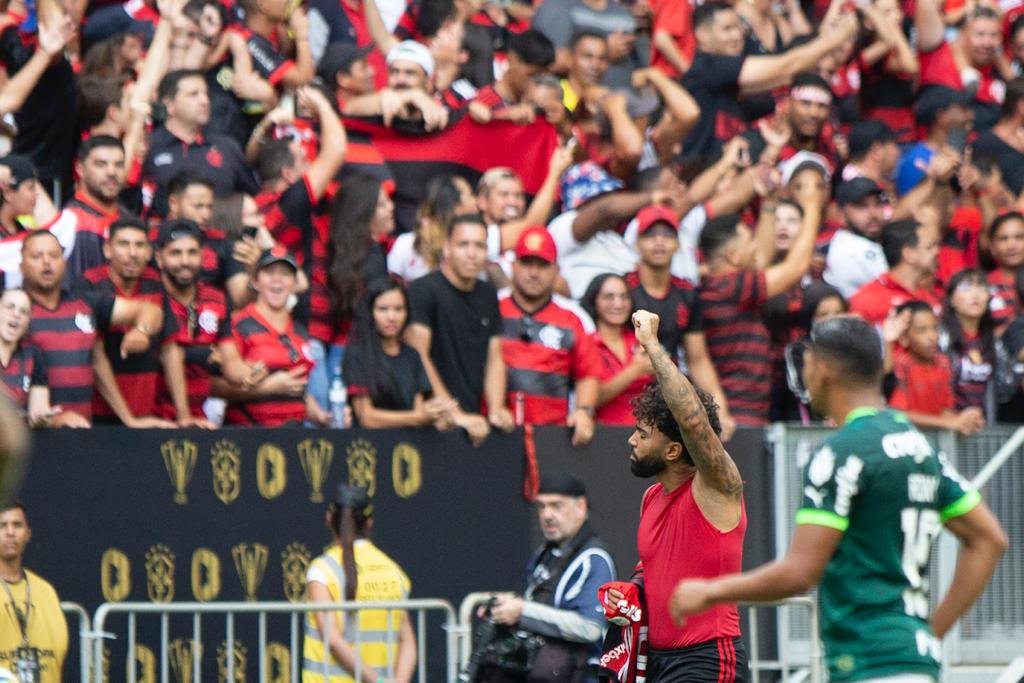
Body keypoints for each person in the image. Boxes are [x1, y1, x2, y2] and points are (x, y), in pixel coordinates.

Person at [669, 315, 1008, 683]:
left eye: (807, 361)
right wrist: (928, 634)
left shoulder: (841, 451)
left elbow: (800, 573)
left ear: (823, 367)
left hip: (868, 664)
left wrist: (709, 591)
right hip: (914, 662)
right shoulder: (918, 447)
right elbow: (990, 538)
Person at [616, 309, 746, 681]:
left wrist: (653, 347)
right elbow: (654, 570)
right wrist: (631, 592)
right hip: (659, 660)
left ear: (673, 450)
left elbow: (691, 421)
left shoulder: (718, 486)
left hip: (707, 659)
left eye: (642, 433)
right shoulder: (652, 496)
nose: (632, 440)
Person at [21, 230, 163, 427]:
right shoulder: (11, 309)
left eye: (54, 255)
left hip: (82, 430)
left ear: (65, 262)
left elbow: (150, 310)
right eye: (37, 256)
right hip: (28, 437)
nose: (46, 262)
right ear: (21, 265)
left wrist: (142, 330)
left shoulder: (85, 302)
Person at [484, 473, 616, 682]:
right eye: (542, 506)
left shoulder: (594, 558)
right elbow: (533, 602)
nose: (547, 515)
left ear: (580, 507)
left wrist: (521, 611)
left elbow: (590, 627)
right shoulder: (545, 553)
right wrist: (504, 607)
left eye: (556, 505)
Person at [406, 213, 514, 445]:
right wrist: (453, 413)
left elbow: (495, 358)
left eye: (480, 246)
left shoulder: (488, 294)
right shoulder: (422, 290)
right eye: (463, 244)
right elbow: (418, 356)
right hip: (428, 423)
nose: (472, 253)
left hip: (473, 420)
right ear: (446, 247)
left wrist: (496, 408)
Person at [303, 484, 416, 683]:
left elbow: (333, 640)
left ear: (329, 519)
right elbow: (407, 642)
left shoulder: (322, 570)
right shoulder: (393, 571)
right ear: (369, 522)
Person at [498, 226, 601, 444]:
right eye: (526, 263)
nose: (534, 272)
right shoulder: (492, 306)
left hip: (553, 437)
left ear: (556, 269)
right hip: (496, 431)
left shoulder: (575, 317)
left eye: (543, 264)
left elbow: (589, 373)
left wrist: (583, 410)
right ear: (513, 265)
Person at [217, 247, 329, 427]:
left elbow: (296, 388)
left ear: (294, 283)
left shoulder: (300, 331)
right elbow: (215, 387)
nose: (277, 279)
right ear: (255, 280)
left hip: (294, 437)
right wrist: (268, 387)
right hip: (248, 436)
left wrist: (323, 417)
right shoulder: (237, 324)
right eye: (269, 272)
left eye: (285, 274)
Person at [342, 278, 456, 428]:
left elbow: (419, 410)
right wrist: (419, 417)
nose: (391, 317)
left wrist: (440, 415)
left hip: (408, 446)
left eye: (398, 309)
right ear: (370, 312)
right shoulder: (357, 355)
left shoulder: (412, 356)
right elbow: (366, 417)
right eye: (383, 309)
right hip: (369, 446)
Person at [887, 300, 986, 435]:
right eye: (922, 330)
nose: (932, 336)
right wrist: (949, 423)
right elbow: (896, 414)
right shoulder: (901, 364)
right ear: (904, 338)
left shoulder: (943, 363)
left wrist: (966, 421)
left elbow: (946, 410)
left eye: (935, 328)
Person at [0, 502, 68, 683]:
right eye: (2, 526)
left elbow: (59, 651)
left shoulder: (45, 591)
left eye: (17, 525)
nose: (10, 532)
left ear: (27, 534)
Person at [580, 273, 651, 426]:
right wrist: (635, 370)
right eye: (608, 297)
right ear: (594, 301)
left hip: (645, 435)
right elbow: (590, 398)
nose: (618, 304)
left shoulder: (641, 341)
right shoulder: (587, 342)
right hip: (604, 435)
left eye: (624, 297)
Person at [850, 219, 942, 326]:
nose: (937, 251)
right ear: (909, 254)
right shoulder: (867, 300)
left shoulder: (930, 294)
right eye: (930, 247)